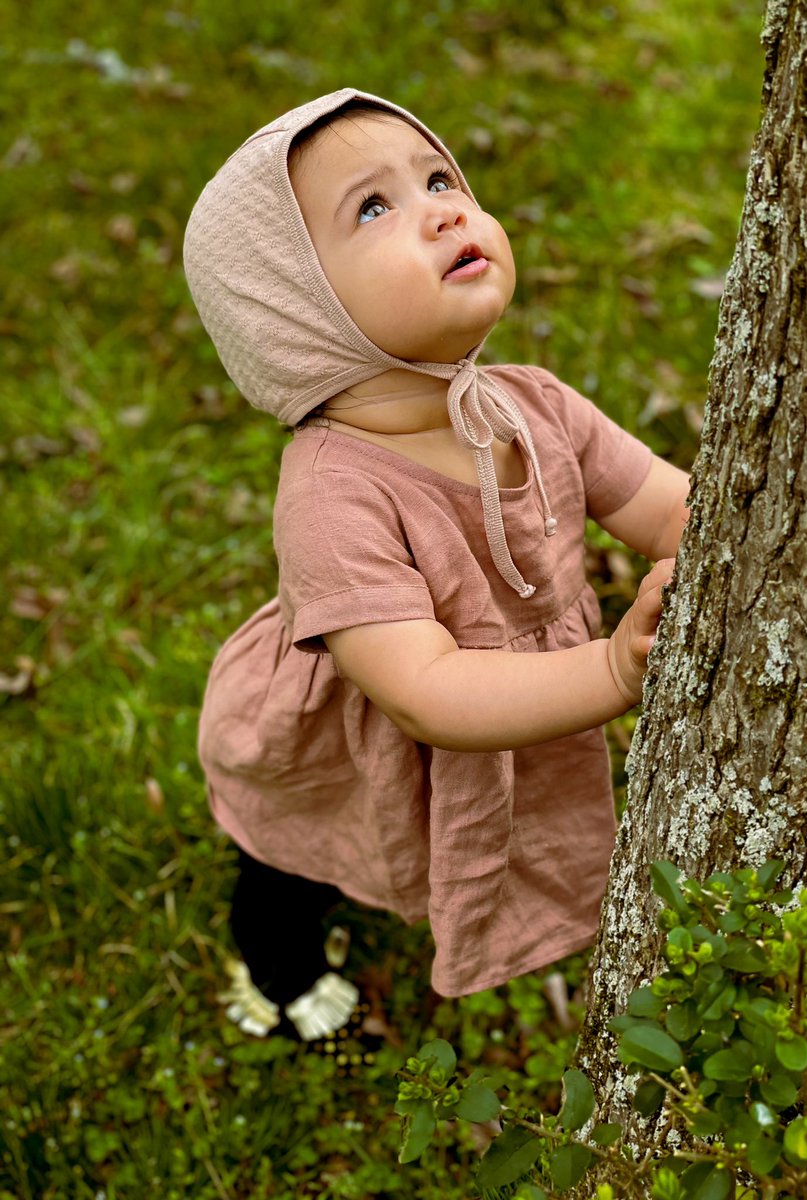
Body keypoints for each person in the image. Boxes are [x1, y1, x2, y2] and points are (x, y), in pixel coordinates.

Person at [183, 88, 690, 1046]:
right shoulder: (333, 494)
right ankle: (276, 975)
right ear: (296, 307)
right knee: (301, 866)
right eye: (374, 207)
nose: (447, 211)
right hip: (342, 747)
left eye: (441, 179)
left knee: (403, 852)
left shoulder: (534, 405)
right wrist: (613, 670)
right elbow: (426, 692)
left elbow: (668, 508)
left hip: (500, 710)